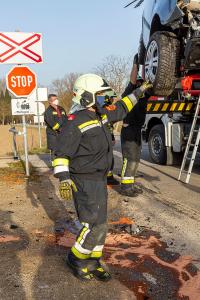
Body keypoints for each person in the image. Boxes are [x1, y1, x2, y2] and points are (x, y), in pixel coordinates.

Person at [53, 74, 152, 281]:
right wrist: (63, 178)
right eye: (100, 95)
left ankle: (92, 260)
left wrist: (139, 92)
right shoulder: (75, 122)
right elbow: (61, 153)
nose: (105, 98)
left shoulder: (101, 116)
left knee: (101, 225)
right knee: (92, 225)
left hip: (99, 180)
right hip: (84, 181)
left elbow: (123, 107)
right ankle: (76, 259)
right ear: (87, 97)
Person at [120, 54, 148, 197]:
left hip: (137, 129)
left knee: (136, 159)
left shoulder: (145, 96)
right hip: (128, 128)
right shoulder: (129, 92)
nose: (140, 84)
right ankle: (125, 187)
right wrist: (135, 65)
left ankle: (130, 184)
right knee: (129, 158)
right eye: (139, 83)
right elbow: (132, 79)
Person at [44, 94, 66, 162]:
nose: (56, 101)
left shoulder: (61, 109)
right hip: (53, 134)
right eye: (54, 100)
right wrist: (59, 127)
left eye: (56, 99)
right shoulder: (48, 111)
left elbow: (65, 119)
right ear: (50, 102)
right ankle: (54, 168)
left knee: (63, 151)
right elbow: (52, 125)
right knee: (54, 151)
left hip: (62, 134)